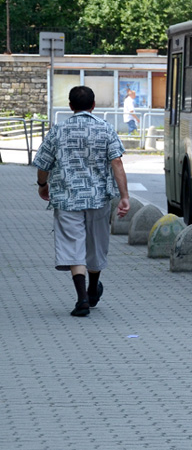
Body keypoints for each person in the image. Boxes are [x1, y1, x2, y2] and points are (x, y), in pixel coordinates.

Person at [33, 86, 131, 317]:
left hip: (67, 199)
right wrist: (124, 196)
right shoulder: (105, 128)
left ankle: (82, 299)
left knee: (72, 245)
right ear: (94, 105)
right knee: (96, 244)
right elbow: (117, 163)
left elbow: (43, 164)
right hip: (98, 199)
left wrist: (42, 185)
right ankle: (93, 289)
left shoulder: (58, 130)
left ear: (70, 106)